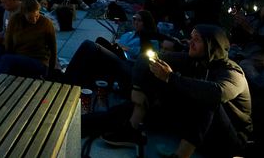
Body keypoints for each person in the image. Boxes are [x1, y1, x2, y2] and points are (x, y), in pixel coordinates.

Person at [103, 25, 253, 158]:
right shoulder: (193, 59)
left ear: (211, 45)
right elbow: (146, 59)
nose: (190, 43)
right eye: (191, 37)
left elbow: (217, 93)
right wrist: (138, 87)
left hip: (227, 140)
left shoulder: (233, 73)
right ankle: (132, 129)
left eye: (197, 40)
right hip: (197, 130)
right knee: (158, 71)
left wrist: (171, 77)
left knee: (205, 95)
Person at [63, 10, 161, 91]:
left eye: (139, 20)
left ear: (146, 22)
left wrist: (128, 49)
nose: (135, 22)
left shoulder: (150, 38)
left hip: (128, 64)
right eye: (134, 19)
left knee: (89, 45)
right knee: (98, 42)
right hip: (118, 56)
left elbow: (148, 56)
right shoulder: (129, 34)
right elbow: (119, 44)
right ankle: (77, 78)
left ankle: (68, 79)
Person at [0, 0, 57, 92]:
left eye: (36, 16)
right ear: (23, 14)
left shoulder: (46, 23)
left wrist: (50, 72)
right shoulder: (15, 20)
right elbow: (9, 43)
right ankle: (3, 80)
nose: (34, 20)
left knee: (7, 59)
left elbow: (53, 48)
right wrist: (0, 41)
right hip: (19, 57)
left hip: (37, 61)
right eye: (30, 18)